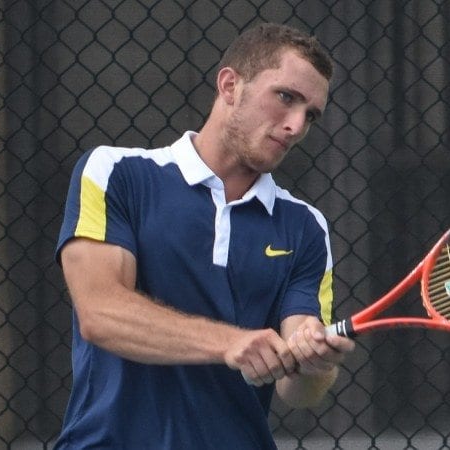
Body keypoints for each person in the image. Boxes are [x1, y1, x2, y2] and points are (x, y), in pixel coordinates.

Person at [54, 22, 355, 449]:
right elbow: (101, 314)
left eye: (310, 114)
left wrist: (314, 364)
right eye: (286, 97)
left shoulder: (305, 226)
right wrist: (231, 343)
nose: (295, 125)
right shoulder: (116, 173)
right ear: (230, 85)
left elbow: (298, 389)